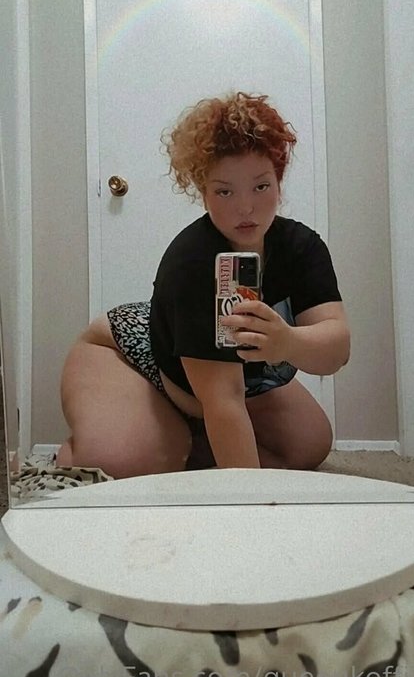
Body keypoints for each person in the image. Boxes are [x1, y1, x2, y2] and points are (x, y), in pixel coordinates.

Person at [57, 92, 350, 478]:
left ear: (279, 181)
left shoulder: (301, 247)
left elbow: (336, 351)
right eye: (224, 191)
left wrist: (289, 343)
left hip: (215, 380)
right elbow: (223, 401)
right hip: (134, 356)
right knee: (133, 463)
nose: (245, 208)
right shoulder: (192, 262)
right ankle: (117, 444)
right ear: (203, 192)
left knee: (308, 443)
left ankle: (184, 439)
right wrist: (253, 503)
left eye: (261, 187)